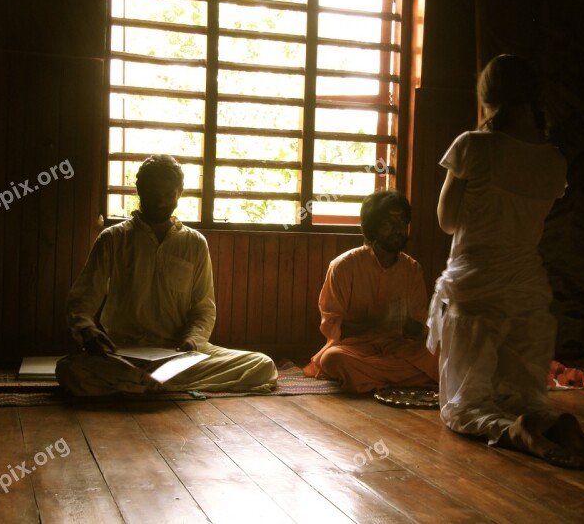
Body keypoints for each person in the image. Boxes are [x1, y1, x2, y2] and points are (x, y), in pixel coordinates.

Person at [429, 55, 584, 468]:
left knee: (461, 407)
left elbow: (447, 222)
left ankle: (515, 432)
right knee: (520, 395)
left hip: (475, 288)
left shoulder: (473, 145)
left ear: (487, 96)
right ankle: (552, 422)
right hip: (527, 289)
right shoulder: (554, 160)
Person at [56, 155, 277, 396]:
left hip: (179, 355)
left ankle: (141, 384)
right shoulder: (113, 239)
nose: (161, 202)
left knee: (261, 365)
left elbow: (204, 307)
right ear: (139, 190)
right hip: (123, 353)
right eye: (153, 194)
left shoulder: (194, 243)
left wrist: (193, 339)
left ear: (180, 193)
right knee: (69, 369)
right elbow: (81, 301)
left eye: (168, 195)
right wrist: (87, 331)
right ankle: (155, 382)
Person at [303, 190, 438, 393]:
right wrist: (381, 322)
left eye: (402, 223)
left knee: (441, 354)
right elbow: (332, 327)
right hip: (355, 349)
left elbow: (420, 329)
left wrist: (407, 325)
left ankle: (368, 381)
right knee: (333, 359)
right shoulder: (344, 266)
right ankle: (407, 379)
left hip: (398, 349)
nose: (397, 230)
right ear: (372, 229)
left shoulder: (412, 269)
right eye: (388, 224)